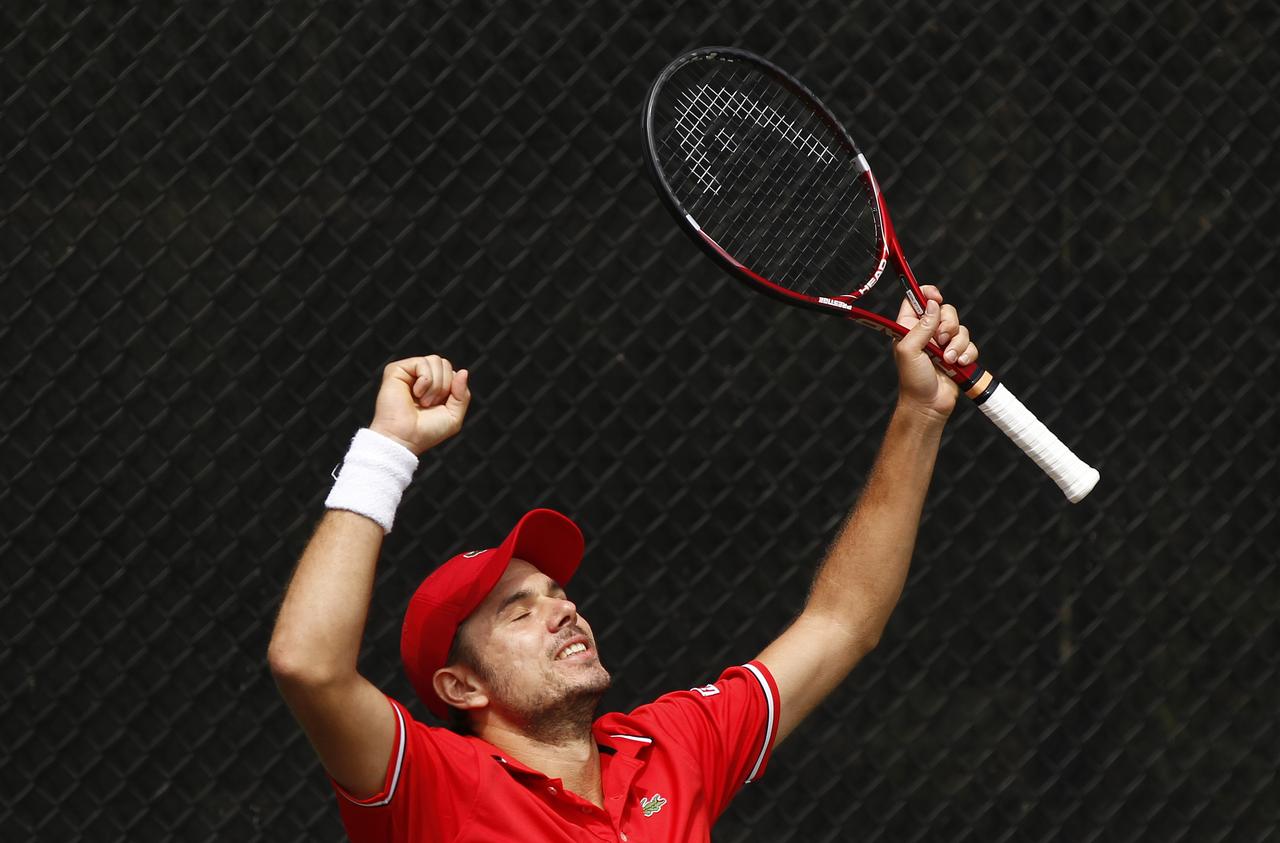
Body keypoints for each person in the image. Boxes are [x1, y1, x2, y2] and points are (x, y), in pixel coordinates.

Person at [268, 286, 978, 842]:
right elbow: (309, 663)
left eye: (556, 592)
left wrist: (921, 411)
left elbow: (842, 621)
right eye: (519, 609)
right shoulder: (430, 783)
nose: (562, 608)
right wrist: (388, 446)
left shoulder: (670, 745)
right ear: (460, 686)